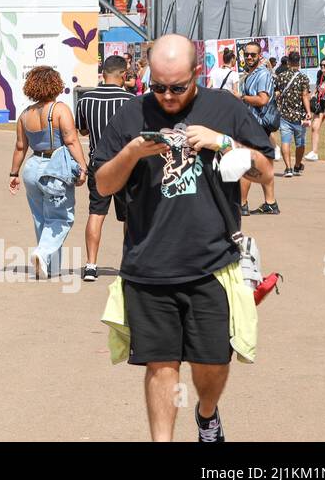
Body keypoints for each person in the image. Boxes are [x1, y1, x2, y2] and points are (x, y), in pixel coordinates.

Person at [91, 34, 275, 442]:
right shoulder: (129, 116)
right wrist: (133, 153)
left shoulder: (224, 108)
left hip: (212, 263)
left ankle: (206, 414)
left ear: (197, 73)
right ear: (146, 78)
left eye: (177, 87)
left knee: (212, 363)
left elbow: (265, 171)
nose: (168, 96)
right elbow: (102, 185)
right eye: (158, 87)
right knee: (161, 365)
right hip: (149, 265)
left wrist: (222, 142)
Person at [8, 66, 87, 280]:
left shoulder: (25, 114)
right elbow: (71, 140)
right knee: (62, 217)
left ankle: (50, 268)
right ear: (55, 84)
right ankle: (42, 253)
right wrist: (82, 166)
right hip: (55, 169)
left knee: (41, 217)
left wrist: (13, 174)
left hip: (32, 167)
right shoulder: (60, 109)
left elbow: (19, 147)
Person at [74, 56, 133, 281]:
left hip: (98, 164)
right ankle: (128, 264)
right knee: (130, 216)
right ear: (124, 75)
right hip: (125, 165)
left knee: (96, 213)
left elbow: (83, 131)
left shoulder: (86, 100)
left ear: (103, 73)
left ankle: (91, 265)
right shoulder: (131, 100)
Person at [237, 41, 280, 216]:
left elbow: (262, 100)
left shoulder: (261, 74)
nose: (249, 57)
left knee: (247, 164)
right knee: (263, 163)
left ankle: (242, 204)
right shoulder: (253, 73)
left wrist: (241, 97)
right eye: (246, 54)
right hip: (256, 124)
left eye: (253, 55)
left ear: (259, 56)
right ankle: (270, 203)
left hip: (257, 124)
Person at [274, 49, 312, 177]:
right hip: (299, 116)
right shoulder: (303, 78)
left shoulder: (281, 77)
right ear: (299, 62)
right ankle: (297, 166)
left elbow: (276, 93)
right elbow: (305, 95)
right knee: (300, 143)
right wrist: (308, 112)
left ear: (289, 62)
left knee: (285, 141)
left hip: (284, 115)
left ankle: (288, 168)